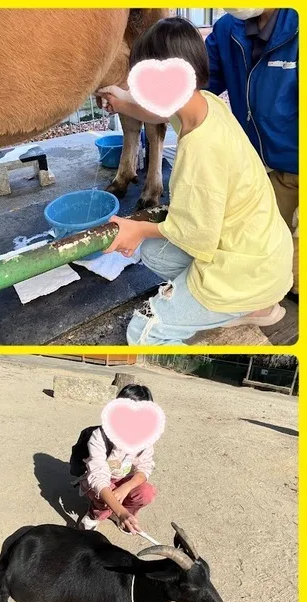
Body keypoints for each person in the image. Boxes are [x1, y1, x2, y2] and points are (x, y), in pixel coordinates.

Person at [97, 17, 293, 345]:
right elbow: (159, 113)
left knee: (143, 331)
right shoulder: (206, 104)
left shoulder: (200, 151)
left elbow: (194, 236)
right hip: (259, 254)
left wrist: (136, 228)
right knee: (154, 252)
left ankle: (243, 304)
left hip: (242, 272)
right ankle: (253, 306)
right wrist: (121, 99)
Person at [206, 9, 298, 294]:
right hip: (256, 165)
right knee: (259, 253)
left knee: (292, 271)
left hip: (295, 166)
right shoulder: (226, 30)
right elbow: (198, 84)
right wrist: (136, 97)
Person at [78, 384, 158, 535]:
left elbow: (145, 467)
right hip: (103, 479)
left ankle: (124, 513)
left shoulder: (145, 438)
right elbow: (98, 478)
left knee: (147, 492)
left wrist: (126, 487)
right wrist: (120, 510)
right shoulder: (100, 436)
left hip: (123, 477)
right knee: (105, 494)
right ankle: (94, 515)